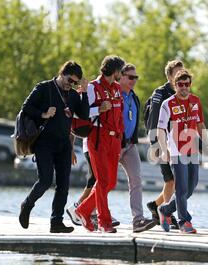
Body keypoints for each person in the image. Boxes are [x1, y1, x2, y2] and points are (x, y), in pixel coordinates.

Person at [19, 61, 89, 233]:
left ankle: (56, 222)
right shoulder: (44, 88)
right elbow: (26, 108)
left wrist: (85, 93)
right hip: (44, 143)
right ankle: (27, 205)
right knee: (45, 181)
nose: (70, 84)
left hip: (64, 144)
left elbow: (84, 114)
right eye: (69, 80)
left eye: (74, 82)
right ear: (61, 73)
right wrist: (43, 114)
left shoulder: (73, 95)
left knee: (63, 185)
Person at [74, 55, 125, 233]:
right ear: (115, 71)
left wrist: (121, 137)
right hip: (97, 137)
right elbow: (80, 114)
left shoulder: (118, 89)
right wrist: (98, 109)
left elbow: (120, 115)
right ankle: (104, 222)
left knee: (110, 183)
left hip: (114, 140)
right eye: (122, 71)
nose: (122, 74)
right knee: (102, 181)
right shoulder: (92, 88)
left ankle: (83, 210)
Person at [156, 69, 208, 234]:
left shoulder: (196, 100)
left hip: (192, 149)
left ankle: (165, 210)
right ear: (175, 85)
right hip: (176, 150)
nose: (184, 87)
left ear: (190, 85)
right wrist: (164, 150)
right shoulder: (168, 104)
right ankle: (184, 222)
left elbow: (200, 125)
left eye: (187, 84)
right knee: (181, 188)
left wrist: (206, 144)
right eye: (180, 84)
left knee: (191, 187)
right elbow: (160, 129)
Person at [116, 63, 157, 232]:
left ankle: (138, 220)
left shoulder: (133, 96)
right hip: (113, 144)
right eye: (130, 77)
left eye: (136, 77)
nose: (134, 80)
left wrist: (132, 140)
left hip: (130, 144)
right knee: (104, 182)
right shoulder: (114, 93)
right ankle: (91, 212)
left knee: (136, 180)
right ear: (121, 76)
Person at [145, 60, 184, 229]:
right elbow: (154, 122)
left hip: (178, 143)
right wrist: (159, 146)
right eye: (176, 73)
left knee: (174, 181)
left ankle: (156, 205)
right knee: (171, 180)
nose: (180, 76)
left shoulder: (182, 93)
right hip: (162, 143)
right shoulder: (160, 94)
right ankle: (166, 213)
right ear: (168, 76)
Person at [65, 135, 120, 229]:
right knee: (98, 181)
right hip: (92, 144)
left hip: (102, 143)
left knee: (97, 181)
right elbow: (74, 127)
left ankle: (81, 208)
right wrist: (71, 148)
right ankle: (86, 210)